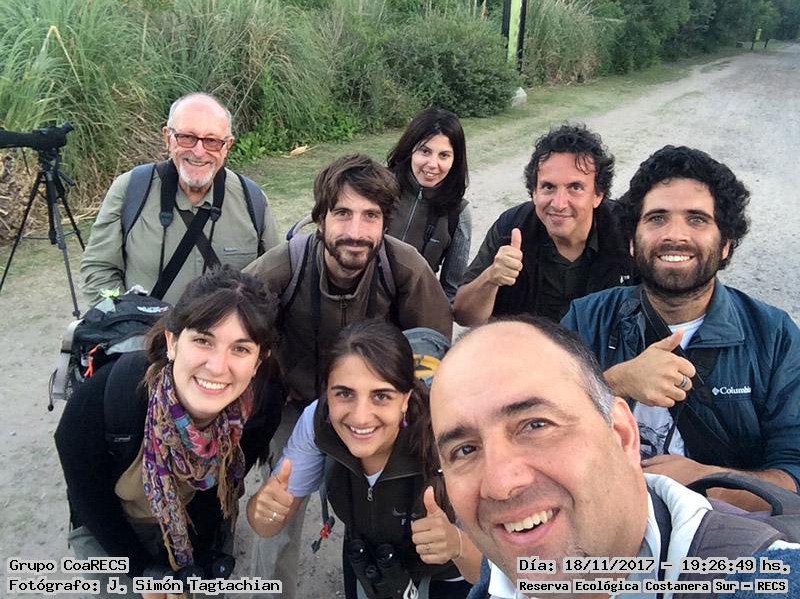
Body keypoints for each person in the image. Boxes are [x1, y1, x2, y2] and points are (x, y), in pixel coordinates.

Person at [429, 316, 800, 599]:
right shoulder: (499, 575)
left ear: (622, 434)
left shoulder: (762, 577)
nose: (499, 484)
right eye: (465, 450)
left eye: (536, 425)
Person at [243, 153, 453, 597]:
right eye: (342, 213)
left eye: (370, 216)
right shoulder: (282, 268)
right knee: (280, 511)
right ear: (320, 218)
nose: (356, 231)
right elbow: (226, 326)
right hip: (296, 406)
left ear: (385, 223)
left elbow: (434, 352)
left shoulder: (406, 270)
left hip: (378, 408)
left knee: (406, 513)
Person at [561, 145, 800, 510]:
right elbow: (537, 426)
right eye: (657, 218)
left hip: (726, 533)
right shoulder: (587, 318)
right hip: (605, 523)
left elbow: (793, 478)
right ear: (632, 241)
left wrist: (704, 482)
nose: (675, 235)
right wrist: (613, 385)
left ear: (725, 244)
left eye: (697, 219)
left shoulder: (774, 336)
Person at [55, 265, 279, 598]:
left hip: (197, 522)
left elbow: (213, 499)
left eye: (241, 349)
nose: (218, 367)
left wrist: (193, 565)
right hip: (113, 528)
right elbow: (90, 501)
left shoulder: (259, 410)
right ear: (172, 342)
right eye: (203, 340)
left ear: (259, 361)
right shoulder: (105, 399)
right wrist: (144, 573)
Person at [247, 320, 480, 598]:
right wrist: (264, 509)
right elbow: (266, 526)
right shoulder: (318, 422)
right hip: (371, 560)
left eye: (381, 396)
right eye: (345, 394)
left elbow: (503, 573)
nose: (360, 417)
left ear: (405, 399)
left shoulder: (450, 437)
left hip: (449, 574)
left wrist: (457, 545)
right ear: (327, 392)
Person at [80, 92, 278, 306]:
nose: (199, 152)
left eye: (212, 141)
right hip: (144, 328)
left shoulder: (253, 200)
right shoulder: (130, 189)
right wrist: (123, 318)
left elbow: (273, 282)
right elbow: (98, 270)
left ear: (227, 146)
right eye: (187, 137)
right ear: (168, 137)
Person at [453, 124, 633, 324]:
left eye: (575, 187)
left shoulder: (626, 232)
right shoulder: (511, 227)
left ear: (598, 195)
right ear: (534, 192)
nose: (559, 203)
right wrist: (491, 278)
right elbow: (463, 316)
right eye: (548, 187)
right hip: (523, 342)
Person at [386, 107, 472, 300]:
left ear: (455, 160)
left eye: (444, 155)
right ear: (410, 150)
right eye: (425, 151)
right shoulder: (378, 188)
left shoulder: (458, 213)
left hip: (414, 310)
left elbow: (451, 290)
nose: (433, 164)